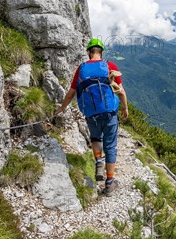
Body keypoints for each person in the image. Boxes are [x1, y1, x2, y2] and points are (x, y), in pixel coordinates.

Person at [55, 38, 129, 196]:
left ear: (89, 52)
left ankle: (98, 161)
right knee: (110, 146)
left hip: (91, 114)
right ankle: (109, 184)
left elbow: (71, 93)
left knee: (96, 138)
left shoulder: (81, 69)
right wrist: (125, 107)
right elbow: (121, 91)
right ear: (101, 52)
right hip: (110, 113)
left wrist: (62, 107)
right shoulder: (110, 66)